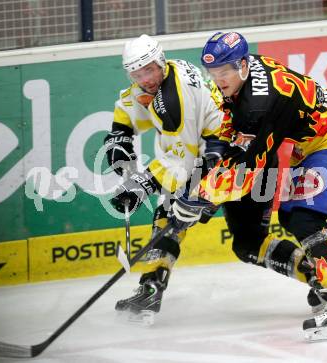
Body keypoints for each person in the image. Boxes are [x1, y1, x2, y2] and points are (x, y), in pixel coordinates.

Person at [168, 31, 327, 341]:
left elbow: (249, 170)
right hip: (318, 139)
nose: (219, 79)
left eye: (224, 71)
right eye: (213, 72)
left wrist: (202, 198)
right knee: (291, 216)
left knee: (305, 217)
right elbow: (231, 132)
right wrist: (202, 185)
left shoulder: (257, 107)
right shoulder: (246, 77)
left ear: (242, 66)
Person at [104, 34, 225, 325]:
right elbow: (130, 103)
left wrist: (141, 185)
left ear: (160, 62)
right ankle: (150, 289)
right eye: (136, 73)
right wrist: (120, 134)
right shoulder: (163, 75)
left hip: (225, 154)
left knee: (249, 241)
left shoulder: (173, 101)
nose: (144, 79)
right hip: (208, 150)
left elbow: (181, 163)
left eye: (148, 70)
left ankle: (324, 271)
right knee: (170, 215)